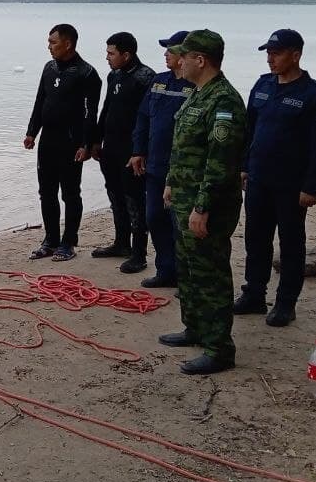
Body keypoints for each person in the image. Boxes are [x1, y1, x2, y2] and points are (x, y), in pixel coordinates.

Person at [160, 29, 247, 375]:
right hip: (185, 197)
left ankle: (219, 348)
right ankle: (195, 328)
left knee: (210, 273)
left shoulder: (223, 100)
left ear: (201, 60)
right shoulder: (197, 94)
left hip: (207, 204)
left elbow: (220, 162)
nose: (178, 61)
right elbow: (184, 146)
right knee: (189, 269)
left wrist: (202, 207)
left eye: (184, 56)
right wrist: (171, 182)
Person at [236, 29, 316, 328]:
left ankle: (285, 303)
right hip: (258, 179)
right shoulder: (263, 85)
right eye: (268, 53)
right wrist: (243, 166)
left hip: (291, 185)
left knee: (290, 243)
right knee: (256, 240)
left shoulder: (314, 94)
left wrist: (312, 186)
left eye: (276, 54)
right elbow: (249, 130)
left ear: (296, 55)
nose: (270, 59)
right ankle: (254, 294)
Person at [24, 24, 102, 262]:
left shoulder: (87, 73)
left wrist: (86, 144)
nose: (49, 46)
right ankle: (50, 240)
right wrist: (32, 132)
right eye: (49, 42)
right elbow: (40, 100)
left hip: (71, 142)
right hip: (48, 140)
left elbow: (90, 113)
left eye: (53, 42)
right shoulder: (49, 68)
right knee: (46, 192)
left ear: (68, 44)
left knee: (70, 193)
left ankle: (68, 242)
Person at [127, 31, 195, 288]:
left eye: (171, 50)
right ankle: (166, 270)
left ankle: (186, 277)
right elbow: (143, 117)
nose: (166, 54)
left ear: (184, 55)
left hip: (181, 169)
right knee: (154, 218)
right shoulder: (158, 81)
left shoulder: (196, 86)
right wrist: (138, 151)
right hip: (154, 165)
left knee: (180, 223)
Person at [90, 32, 155, 273]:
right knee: (115, 196)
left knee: (134, 200)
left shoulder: (145, 78)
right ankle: (121, 243)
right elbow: (106, 108)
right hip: (111, 147)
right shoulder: (113, 75)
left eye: (111, 53)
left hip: (132, 150)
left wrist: (141, 150)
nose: (107, 57)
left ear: (126, 55)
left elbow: (148, 118)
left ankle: (139, 254)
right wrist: (96, 140)